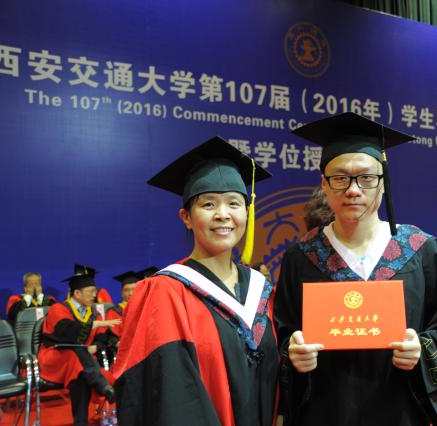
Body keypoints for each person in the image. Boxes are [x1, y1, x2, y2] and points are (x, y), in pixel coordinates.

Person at [275, 112, 437, 426]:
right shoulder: (301, 257)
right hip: (326, 414)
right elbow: (281, 335)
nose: (353, 190)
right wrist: (292, 354)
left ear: (383, 184)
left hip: (401, 412)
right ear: (324, 184)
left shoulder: (419, 251)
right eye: (340, 178)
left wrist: (421, 350)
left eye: (366, 178)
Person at [112, 136, 278, 425]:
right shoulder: (165, 292)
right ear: (186, 217)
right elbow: (169, 393)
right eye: (209, 204)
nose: (223, 215)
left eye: (234, 203)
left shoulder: (260, 289)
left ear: (247, 212)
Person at [37, 272, 121, 426]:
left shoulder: (91, 312)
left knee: (80, 371)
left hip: (80, 363)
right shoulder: (58, 309)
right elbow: (67, 333)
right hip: (54, 358)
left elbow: (102, 336)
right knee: (76, 355)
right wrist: (94, 325)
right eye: (91, 292)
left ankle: (81, 421)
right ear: (77, 293)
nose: (94, 295)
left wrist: (97, 346)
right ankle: (103, 386)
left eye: (95, 291)